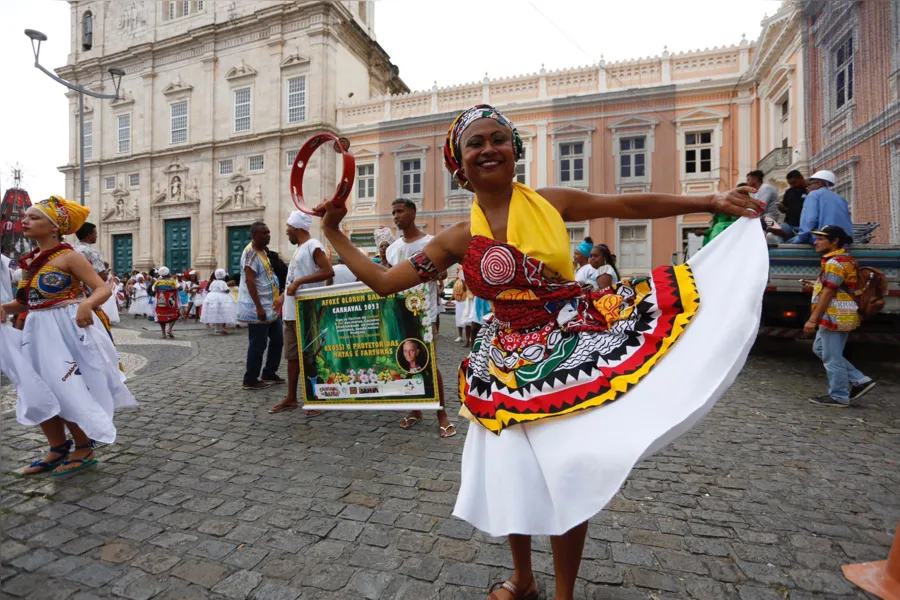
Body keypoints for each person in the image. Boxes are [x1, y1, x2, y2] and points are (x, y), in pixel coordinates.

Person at [314, 104, 766, 600]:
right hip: (504, 367)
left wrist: (710, 199)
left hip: (574, 350)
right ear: (459, 165)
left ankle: (564, 594)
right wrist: (335, 231)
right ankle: (523, 579)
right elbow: (384, 281)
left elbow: (628, 206)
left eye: (498, 139)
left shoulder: (550, 202)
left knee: (567, 472)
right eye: (475, 144)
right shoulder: (458, 238)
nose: (488, 148)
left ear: (515, 150)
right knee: (515, 476)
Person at [0, 196, 137, 476]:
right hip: (36, 330)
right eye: (25, 216)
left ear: (54, 227)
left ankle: (84, 445)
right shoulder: (31, 262)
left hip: (67, 328)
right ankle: (57, 446)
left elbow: (101, 288)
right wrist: (5, 307)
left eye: (34, 217)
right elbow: (27, 302)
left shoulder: (70, 256)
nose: (25, 221)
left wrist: (87, 304)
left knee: (66, 385)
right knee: (36, 386)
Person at [384, 198, 455, 438]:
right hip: (399, 314)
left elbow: (443, 271)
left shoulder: (430, 243)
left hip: (425, 314)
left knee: (428, 364)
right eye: (393, 212)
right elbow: (388, 279)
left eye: (400, 211)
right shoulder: (393, 248)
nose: (396, 216)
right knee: (407, 362)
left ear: (413, 214)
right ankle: (416, 408)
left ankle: (441, 413)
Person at [803, 226, 876, 407]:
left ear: (834, 241)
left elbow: (829, 293)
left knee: (831, 357)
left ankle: (839, 395)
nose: (815, 242)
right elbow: (839, 286)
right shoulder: (845, 259)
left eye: (821, 239)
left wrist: (813, 319)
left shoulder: (835, 263)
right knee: (820, 349)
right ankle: (860, 380)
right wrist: (816, 285)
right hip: (841, 313)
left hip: (834, 315)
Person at [270, 211, 334, 415]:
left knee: (310, 356)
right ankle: (291, 397)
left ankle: (316, 399)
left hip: (307, 312)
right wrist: (281, 299)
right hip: (290, 312)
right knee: (292, 357)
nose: (286, 232)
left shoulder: (313, 246)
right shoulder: (299, 249)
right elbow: (292, 280)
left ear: (297, 229)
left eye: (288, 228)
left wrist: (299, 282)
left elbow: (328, 271)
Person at [238, 221, 285, 390]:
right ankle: (250, 379)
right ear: (255, 235)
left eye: (269, 232)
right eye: (264, 233)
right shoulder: (250, 254)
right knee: (258, 344)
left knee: (278, 340)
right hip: (258, 308)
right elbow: (250, 281)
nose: (268, 235)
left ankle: (269, 372)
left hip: (270, 305)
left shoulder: (264, 252)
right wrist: (258, 307)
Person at [786, 170, 853, 245]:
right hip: (844, 240)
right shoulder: (840, 198)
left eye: (809, 184)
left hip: (824, 238)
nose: (807, 188)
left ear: (819, 184)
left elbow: (809, 221)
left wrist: (800, 239)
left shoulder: (813, 194)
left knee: (787, 242)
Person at [200, 269, 238, 334]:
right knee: (221, 313)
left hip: (211, 297)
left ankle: (217, 329)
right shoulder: (223, 283)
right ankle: (219, 329)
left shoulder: (213, 282)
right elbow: (226, 290)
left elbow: (210, 289)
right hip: (222, 298)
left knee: (216, 314)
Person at [152, 267, 180, 339]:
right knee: (175, 314)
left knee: (161, 316)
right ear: (168, 273)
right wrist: (172, 288)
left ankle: (163, 333)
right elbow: (180, 288)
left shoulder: (157, 281)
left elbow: (153, 289)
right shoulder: (172, 281)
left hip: (160, 301)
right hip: (171, 301)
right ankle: (170, 329)